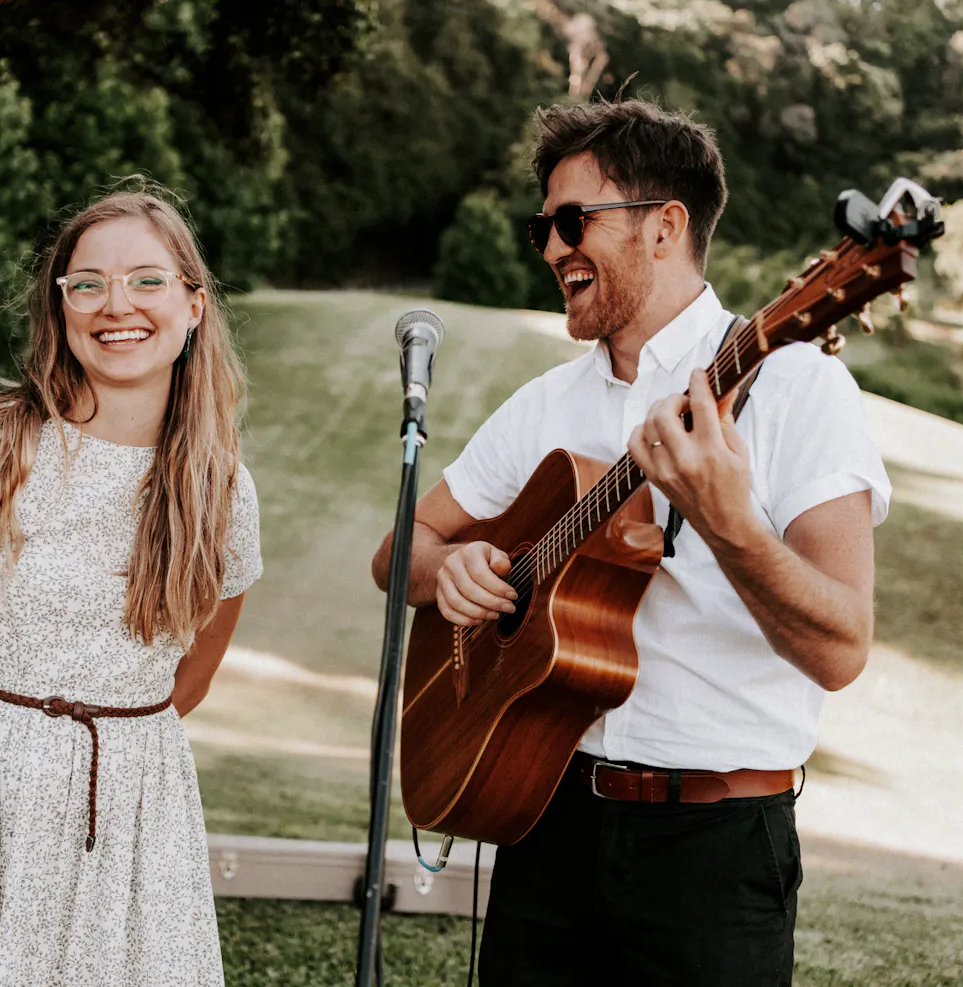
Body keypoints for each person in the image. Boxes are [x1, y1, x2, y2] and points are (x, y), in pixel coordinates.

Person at [372, 99, 890, 984]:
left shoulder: (798, 386)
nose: (551, 248)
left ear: (665, 227)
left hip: (714, 847)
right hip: (544, 812)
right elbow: (397, 553)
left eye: (574, 221)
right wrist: (448, 565)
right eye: (542, 227)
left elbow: (842, 648)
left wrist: (727, 523)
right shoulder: (544, 405)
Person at [0, 188, 261, 986]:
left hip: (130, 820)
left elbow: (190, 677)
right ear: (60, 306)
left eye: (146, 280)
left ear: (194, 305)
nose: (116, 305)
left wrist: (87, 765)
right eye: (88, 283)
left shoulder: (222, 492)